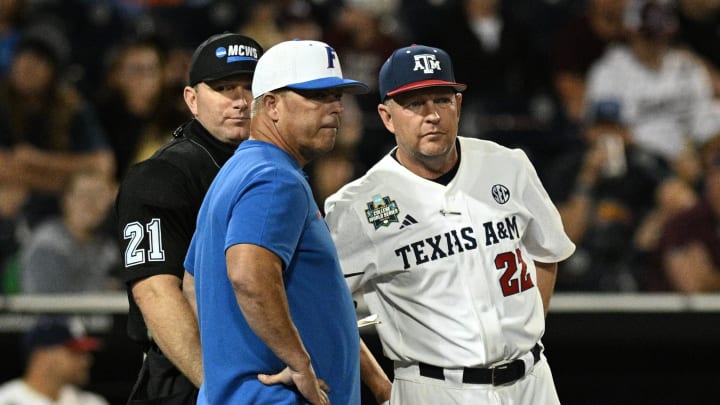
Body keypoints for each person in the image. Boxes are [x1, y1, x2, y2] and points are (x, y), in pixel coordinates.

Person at [324, 44, 576, 405]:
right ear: (387, 117)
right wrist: (379, 385)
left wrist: (523, 335)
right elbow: (324, 305)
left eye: (442, 99)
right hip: (435, 388)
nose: (432, 115)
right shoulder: (357, 207)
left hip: (533, 382)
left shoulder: (507, 164)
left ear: (458, 105)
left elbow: (547, 252)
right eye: (414, 104)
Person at [182, 39, 370, 405]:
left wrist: (234, 362)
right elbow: (248, 275)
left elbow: (192, 284)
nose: (335, 108)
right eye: (317, 97)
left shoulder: (238, 169)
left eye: (337, 96)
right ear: (270, 105)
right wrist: (298, 361)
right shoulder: (274, 178)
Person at [114, 33, 263, 404]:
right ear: (192, 100)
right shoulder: (163, 175)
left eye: (251, 87)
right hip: (189, 379)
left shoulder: (277, 169)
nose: (241, 101)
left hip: (264, 370)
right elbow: (154, 292)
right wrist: (219, 391)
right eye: (224, 87)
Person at [20, 168, 120, 293]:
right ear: (66, 200)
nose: (90, 203)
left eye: (98, 195)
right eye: (83, 194)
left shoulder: (109, 247)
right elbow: (48, 307)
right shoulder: (49, 244)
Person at [0, 315, 109, 405]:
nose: (87, 361)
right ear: (41, 356)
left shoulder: (92, 402)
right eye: (74, 353)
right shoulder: (6, 400)